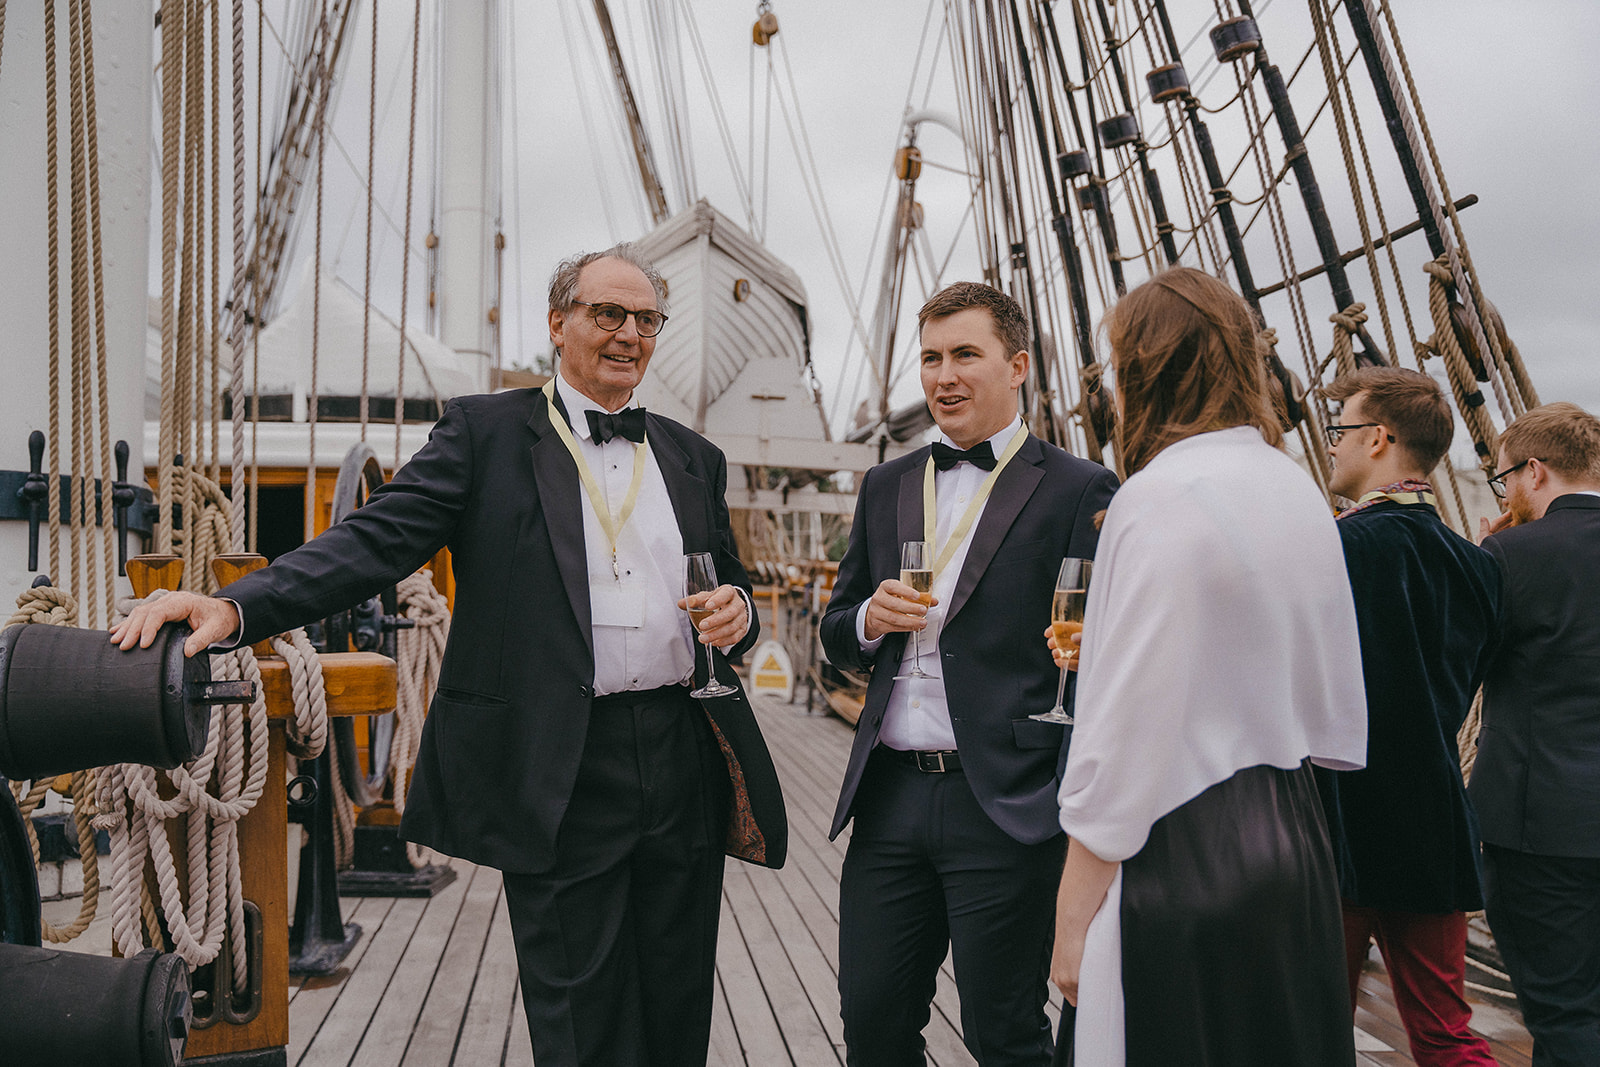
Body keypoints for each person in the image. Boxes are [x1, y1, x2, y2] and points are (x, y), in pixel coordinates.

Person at [111, 245, 788, 1067]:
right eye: (609, 314)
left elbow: (735, 586)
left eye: (646, 320)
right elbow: (370, 542)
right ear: (558, 323)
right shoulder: (485, 433)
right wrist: (235, 605)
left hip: (682, 757)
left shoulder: (692, 456)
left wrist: (740, 611)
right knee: (582, 1015)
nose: (629, 335)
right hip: (560, 760)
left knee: (679, 999)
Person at [1048, 267, 1367, 1066]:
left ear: (1144, 370)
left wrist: (1070, 922)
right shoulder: (1297, 487)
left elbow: (1121, 741)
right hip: (1295, 843)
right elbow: (1332, 706)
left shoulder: (1153, 496)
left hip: (1178, 857)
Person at [819, 282, 1117, 1065]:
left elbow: (1100, 649)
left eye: (964, 355)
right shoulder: (885, 484)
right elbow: (834, 630)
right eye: (930, 358)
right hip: (889, 797)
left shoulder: (1081, 487)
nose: (942, 375)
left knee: (1005, 1033)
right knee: (871, 1023)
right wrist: (865, 621)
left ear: (1017, 365)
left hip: (1007, 802)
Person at [1316, 366, 1500, 1065]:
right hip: (1431, 823)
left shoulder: (1338, 546)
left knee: (1309, 1027)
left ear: (1380, 437)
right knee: (1446, 1032)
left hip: (1338, 826)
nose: (1332, 446)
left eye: (1341, 431)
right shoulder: (1478, 564)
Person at [1470, 401, 1600, 1066]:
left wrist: (1487, 564)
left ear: (1535, 471)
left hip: (1538, 825)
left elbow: (1460, 667)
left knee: (1564, 1010)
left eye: (1503, 478)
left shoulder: (1508, 553)